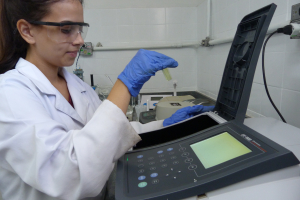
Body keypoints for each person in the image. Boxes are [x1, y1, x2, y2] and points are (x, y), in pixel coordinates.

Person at [0, 0, 214, 199]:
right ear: (27, 31)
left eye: (79, 28)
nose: (79, 40)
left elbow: (106, 137)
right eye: (66, 29)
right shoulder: (9, 94)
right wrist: (124, 85)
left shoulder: (77, 86)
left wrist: (164, 126)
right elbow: (69, 174)